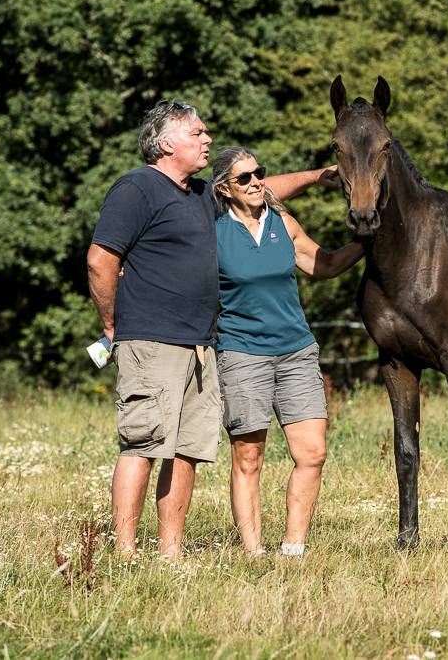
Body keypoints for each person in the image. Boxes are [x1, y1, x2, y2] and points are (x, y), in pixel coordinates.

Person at [87, 102, 337, 560]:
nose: (207, 139)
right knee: (142, 444)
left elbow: (260, 189)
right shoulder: (137, 188)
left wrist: (318, 175)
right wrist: (111, 324)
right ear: (167, 144)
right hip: (150, 337)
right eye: (197, 133)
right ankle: (123, 554)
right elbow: (100, 259)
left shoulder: (200, 194)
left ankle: (171, 552)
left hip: (199, 342)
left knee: (186, 450)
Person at [211, 145, 364, 557]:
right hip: (243, 354)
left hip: (297, 352)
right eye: (244, 178)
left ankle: (293, 549)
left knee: (312, 453)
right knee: (249, 458)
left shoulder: (283, 222)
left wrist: (370, 244)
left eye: (258, 172)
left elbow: (326, 265)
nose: (256, 181)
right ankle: (253, 552)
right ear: (224, 189)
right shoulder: (212, 232)